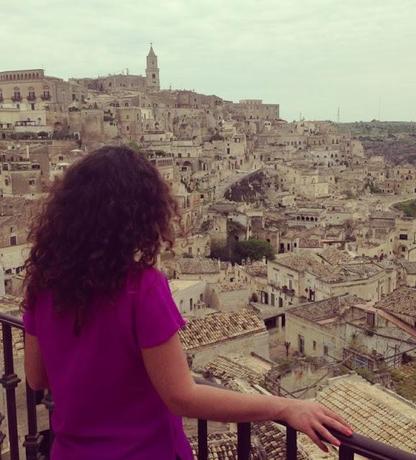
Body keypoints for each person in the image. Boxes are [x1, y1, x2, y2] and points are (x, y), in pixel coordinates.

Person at [23, 146, 352, 460]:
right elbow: (182, 396)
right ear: (140, 215)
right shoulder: (142, 287)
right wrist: (283, 407)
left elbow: (37, 378)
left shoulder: (43, 285)